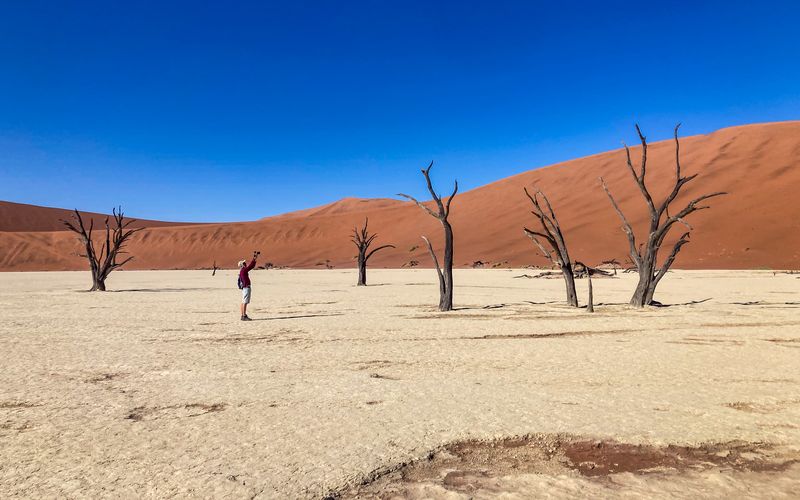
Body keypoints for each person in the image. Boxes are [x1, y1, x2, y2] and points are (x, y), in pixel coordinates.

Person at [238, 251, 259, 321]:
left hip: (245, 288)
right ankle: (244, 316)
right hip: (246, 287)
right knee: (245, 302)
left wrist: (255, 258)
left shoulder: (242, 271)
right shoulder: (243, 270)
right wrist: (254, 258)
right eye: (244, 263)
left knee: (243, 301)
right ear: (242, 265)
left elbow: (250, 266)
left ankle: (243, 315)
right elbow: (251, 266)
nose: (245, 263)